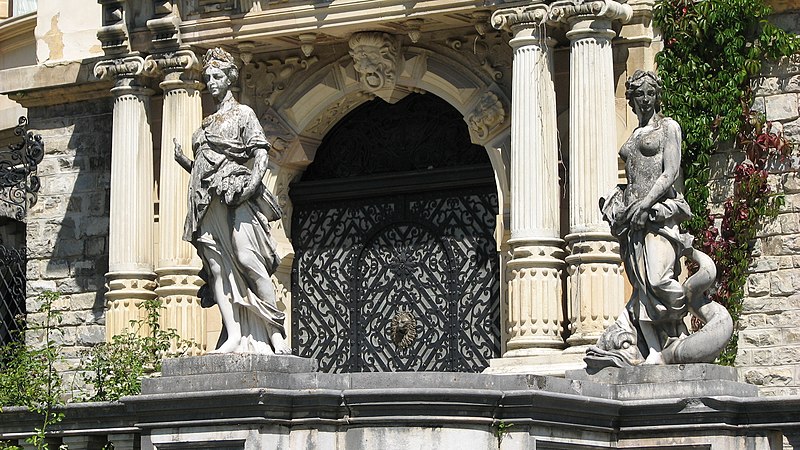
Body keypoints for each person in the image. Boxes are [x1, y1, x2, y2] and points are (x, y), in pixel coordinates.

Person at [174, 47, 290, 355]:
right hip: (206, 200)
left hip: (236, 195)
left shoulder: (243, 114)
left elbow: (260, 152)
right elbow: (205, 167)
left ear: (230, 78)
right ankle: (234, 334)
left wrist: (252, 185)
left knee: (247, 258)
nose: (210, 81)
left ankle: (276, 333)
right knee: (216, 267)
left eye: (216, 76)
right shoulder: (207, 121)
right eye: (208, 76)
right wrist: (186, 160)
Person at [602, 70, 694, 365]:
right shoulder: (633, 135)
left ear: (657, 95)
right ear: (630, 99)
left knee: (658, 277)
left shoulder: (668, 128)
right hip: (633, 221)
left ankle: (687, 312)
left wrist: (646, 203)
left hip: (658, 215)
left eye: (649, 93)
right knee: (641, 286)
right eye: (639, 94)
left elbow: (670, 172)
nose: (645, 99)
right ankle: (654, 350)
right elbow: (629, 180)